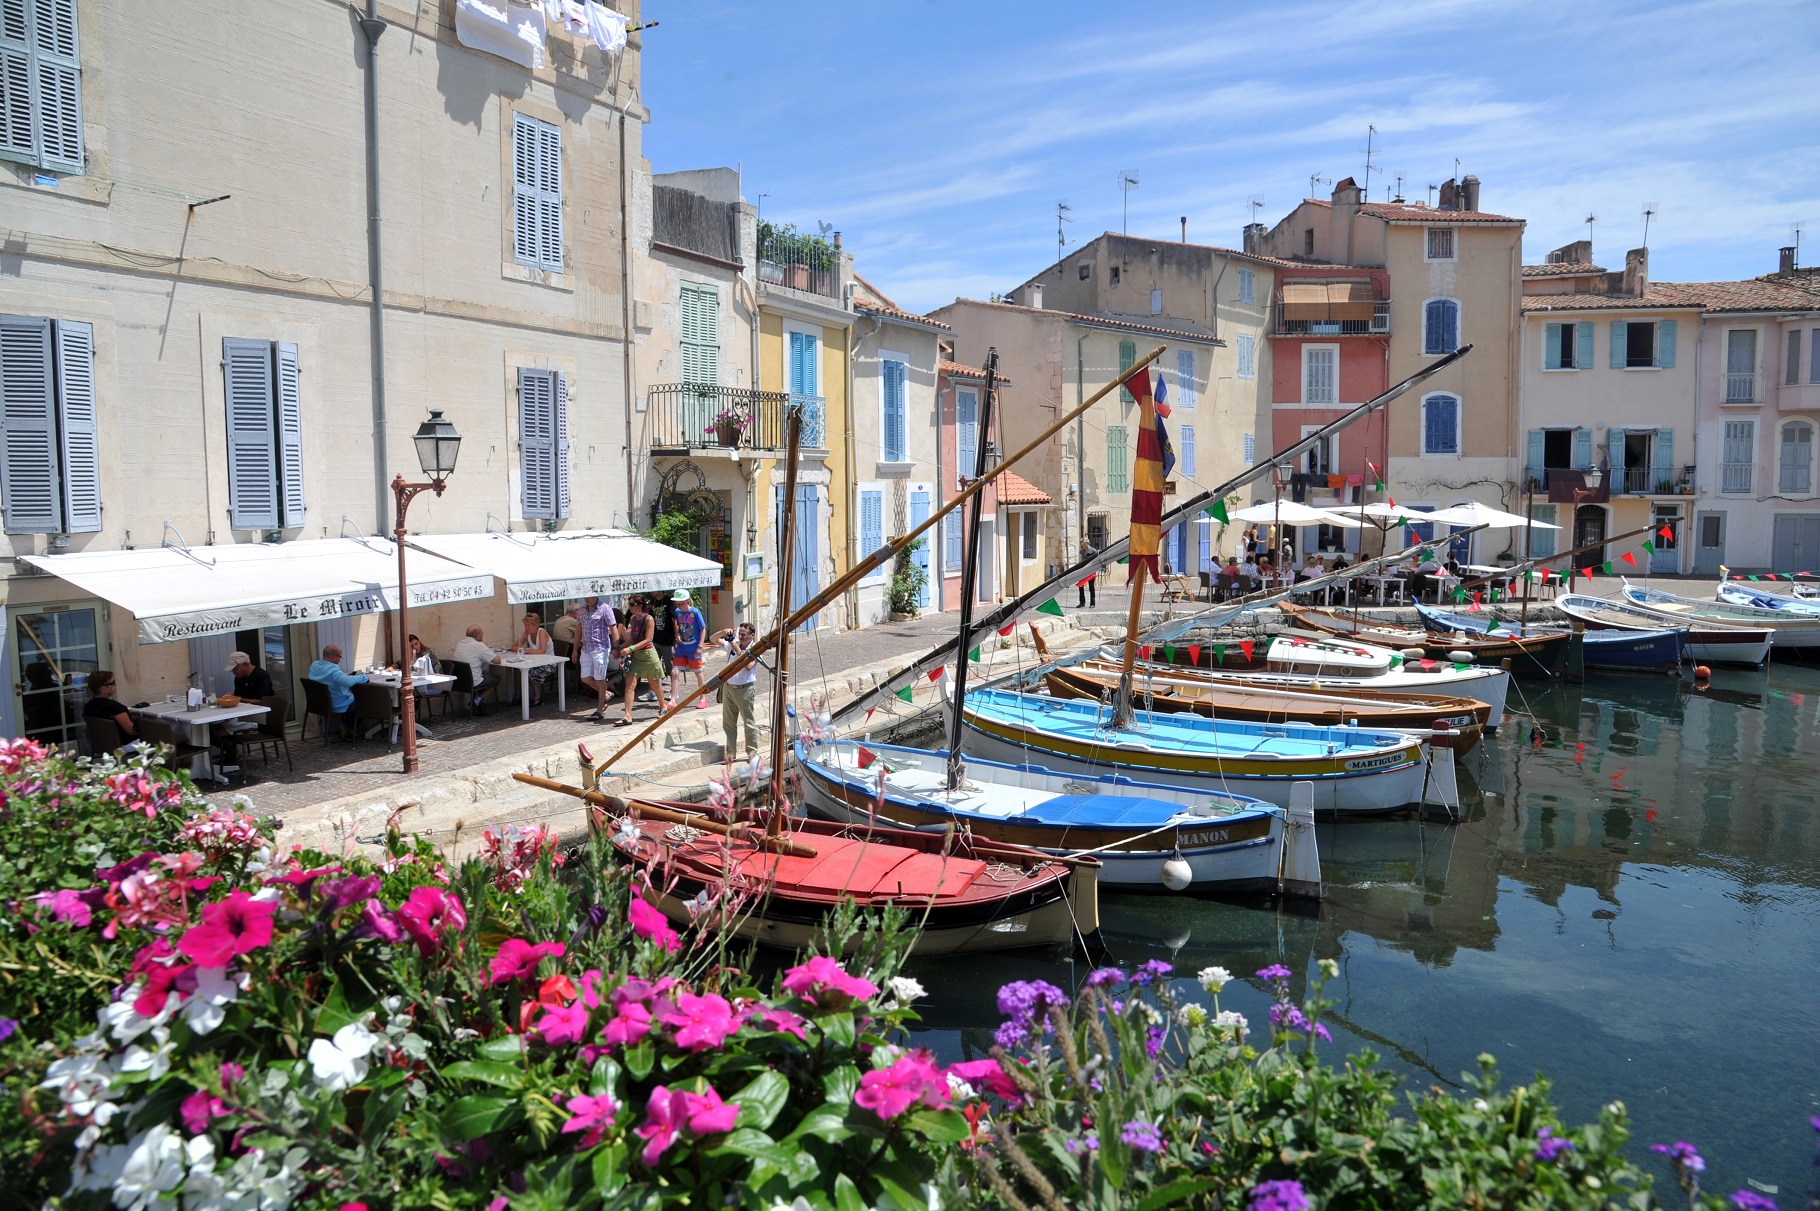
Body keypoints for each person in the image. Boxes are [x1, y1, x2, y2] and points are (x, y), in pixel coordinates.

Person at [712, 623, 763, 758]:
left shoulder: (756, 648)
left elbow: (749, 666)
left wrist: (739, 651)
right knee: (728, 723)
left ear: (752, 635)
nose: (740, 637)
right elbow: (713, 639)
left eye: (744, 634)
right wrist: (723, 631)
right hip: (729, 688)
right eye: (739, 633)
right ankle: (730, 754)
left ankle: (752, 753)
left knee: (748, 723)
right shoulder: (732, 644)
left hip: (744, 690)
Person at [616, 598, 669, 726]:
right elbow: (633, 638)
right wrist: (620, 647)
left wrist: (631, 648)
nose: (629, 607)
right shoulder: (633, 619)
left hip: (648, 655)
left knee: (654, 684)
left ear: (639, 606)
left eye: (631, 604)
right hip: (636, 656)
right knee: (630, 685)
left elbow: (648, 639)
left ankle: (663, 706)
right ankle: (627, 716)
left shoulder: (649, 619)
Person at [215, 651, 273, 763]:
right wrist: (232, 698)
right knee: (213, 727)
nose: (234, 673)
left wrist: (238, 699)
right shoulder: (239, 677)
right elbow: (238, 697)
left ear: (246, 665)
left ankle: (233, 755)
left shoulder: (261, 676)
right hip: (241, 712)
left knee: (220, 730)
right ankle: (233, 753)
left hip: (258, 716)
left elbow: (261, 701)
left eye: (235, 669)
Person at [307, 646, 369, 740]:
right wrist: (363, 677)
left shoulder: (314, 665)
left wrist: (344, 676)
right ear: (334, 656)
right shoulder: (333, 670)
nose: (340, 660)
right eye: (340, 657)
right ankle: (352, 731)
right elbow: (347, 682)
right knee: (363, 699)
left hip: (319, 704)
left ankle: (346, 729)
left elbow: (334, 678)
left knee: (350, 697)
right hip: (337, 704)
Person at [577, 596, 617, 722]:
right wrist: (574, 649)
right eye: (585, 596)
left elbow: (613, 628)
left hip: (600, 648)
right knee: (585, 678)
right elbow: (579, 629)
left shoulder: (604, 608)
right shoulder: (582, 609)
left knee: (600, 679)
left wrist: (616, 647)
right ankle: (606, 694)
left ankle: (599, 710)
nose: (586, 599)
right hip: (586, 649)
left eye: (589, 596)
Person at [669, 590, 709, 708]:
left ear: (687, 601)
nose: (678, 606)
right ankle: (672, 700)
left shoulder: (695, 612)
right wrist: (677, 634)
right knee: (674, 672)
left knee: (698, 672)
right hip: (682, 646)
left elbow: (703, 629)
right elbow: (679, 625)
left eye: (681, 603)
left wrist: (700, 646)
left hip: (694, 646)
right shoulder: (677, 612)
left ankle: (703, 698)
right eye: (677, 603)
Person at [452, 625, 503, 716]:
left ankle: (480, 703)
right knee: (496, 679)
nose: (482, 634)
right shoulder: (478, 645)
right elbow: (497, 661)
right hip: (473, 682)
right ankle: (477, 701)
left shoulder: (460, 644)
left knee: (483, 675)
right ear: (477, 635)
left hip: (460, 683)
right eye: (482, 632)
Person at [83, 670, 139, 750]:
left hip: (103, 746)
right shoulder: (114, 707)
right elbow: (131, 730)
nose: (115, 684)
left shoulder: (89, 707)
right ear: (103, 688)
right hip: (124, 745)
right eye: (113, 683)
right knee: (159, 737)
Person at [510, 612, 554, 708]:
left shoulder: (541, 632)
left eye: (529, 625)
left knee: (530, 670)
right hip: (535, 661)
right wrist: (521, 649)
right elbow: (513, 646)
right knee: (517, 669)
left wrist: (529, 651)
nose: (526, 628)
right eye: (525, 625)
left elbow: (542, 650)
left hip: (549, 663)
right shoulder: (527, 634)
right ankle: (518, 696)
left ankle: (537, 696)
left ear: (536, 625)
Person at [1077, 537, 1099, 608]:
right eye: (1082, 544)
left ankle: (1092, 603)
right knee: (1081, 586)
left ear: (1087, 543)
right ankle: (1082, 602)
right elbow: (1080, 562)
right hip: (1083, 571)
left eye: (1084, 544)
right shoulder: (1082, 552)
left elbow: (1096, 561)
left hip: (1091, 571)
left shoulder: (1093, 551)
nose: (1083, 545)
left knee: (1091, 587)